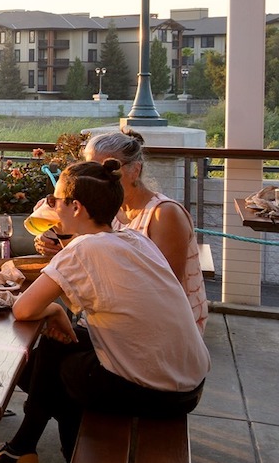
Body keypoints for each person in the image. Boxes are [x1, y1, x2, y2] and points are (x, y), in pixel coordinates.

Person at [0, 160, 208, 463]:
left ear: (76, 207)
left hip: (156, 389)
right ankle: (23, 448)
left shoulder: (85, 249)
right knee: (55, 352)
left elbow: (24, 310)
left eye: (55, 201)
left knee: (65, 375)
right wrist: (56, 307)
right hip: (188, 380)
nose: (51, 206)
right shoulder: (131, 238)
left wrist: (54, 308)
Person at [50, 130, 207, 332]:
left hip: (160, 329)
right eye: (91, 169)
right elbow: (88, 261)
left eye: (107, 170)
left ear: (135, 170)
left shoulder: (164, 214)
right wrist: (61, 232)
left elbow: (165, 289)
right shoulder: (108, 209)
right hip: (117, 320)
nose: (97, 179)